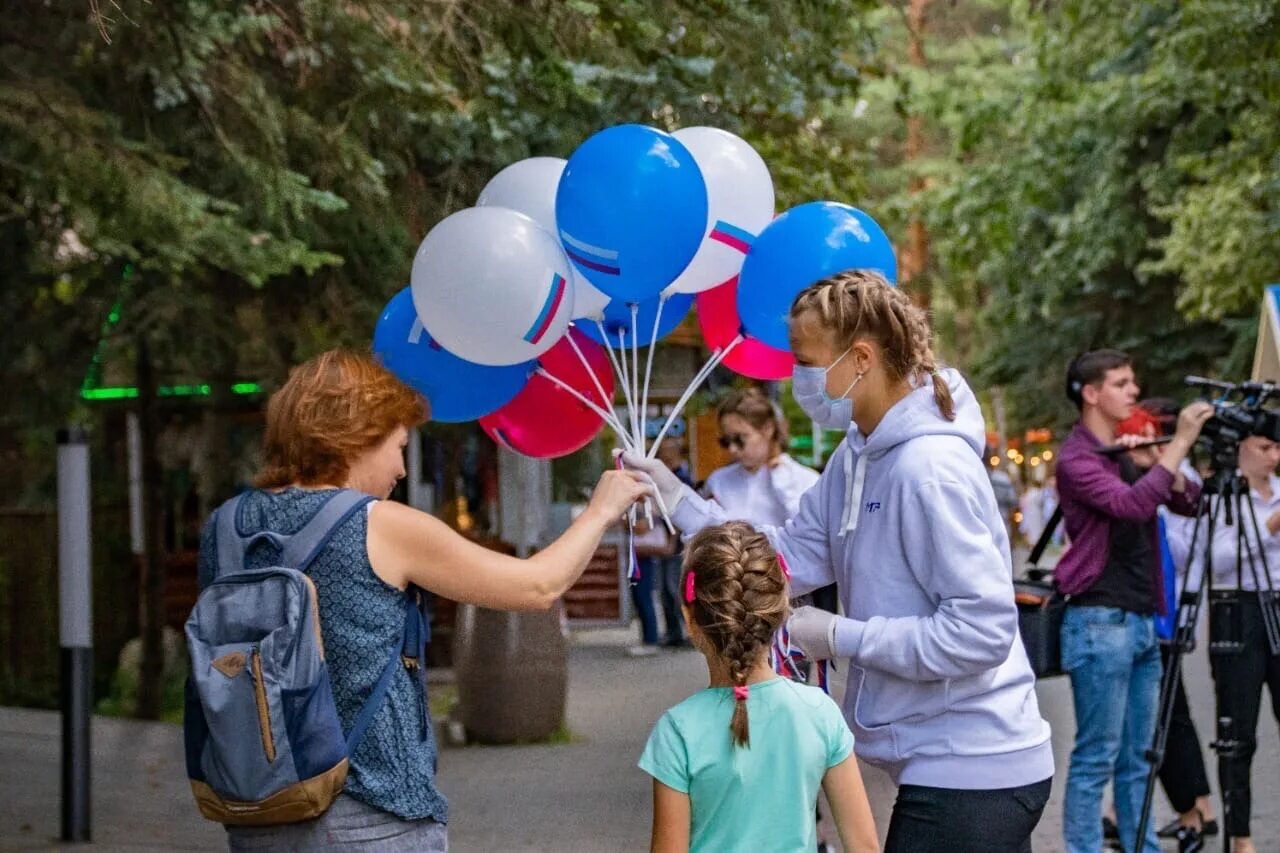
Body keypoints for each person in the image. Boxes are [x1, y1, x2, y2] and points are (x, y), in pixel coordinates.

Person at [626, 270, 1053, 852]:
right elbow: (792, 553)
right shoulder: (858, 453)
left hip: (974, 761)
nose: (798, 377)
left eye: (805, 360)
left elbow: (982, 632)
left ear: (860, 358)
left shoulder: (930, 470)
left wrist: (839, 635)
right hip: (943, 761)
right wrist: (680, 503)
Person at [200, 349, 652, 851]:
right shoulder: (377, 524)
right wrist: (599, 512)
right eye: (396, 446)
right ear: (356, 438)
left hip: (258, 811)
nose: (399, 468)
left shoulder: (225, 528)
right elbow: (536, 587)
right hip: (371, 814)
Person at [639, 521, 879, 853]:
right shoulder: (819, 711)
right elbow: (864, 846)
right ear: (781, 609)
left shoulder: (678, 730)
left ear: (689, 618)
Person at [1053, 350, 1211, 853]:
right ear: (1091, 393)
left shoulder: (1127, 449)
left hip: (1143, 621)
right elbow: (1129, 505)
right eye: (1122, 383)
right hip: (1099, 619)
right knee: (1097, 755)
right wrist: (1179, 442)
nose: (1134, 391)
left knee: (1139, 756)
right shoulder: (1077, 459)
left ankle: (1141, 845)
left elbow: (1189, 500)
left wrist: (1157, 462)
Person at [1104, 404, 1217, 851]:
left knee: (1166, 718)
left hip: (1160, 613)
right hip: (1150, 609)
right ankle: (1190, 807)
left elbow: (1186, 538)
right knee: (1153, 720)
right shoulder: (1138, 473)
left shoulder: (1168, 474)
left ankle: (1193, 810)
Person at [1168, 434, 1280, 853]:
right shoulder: (1222, 498)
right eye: (1266, 447)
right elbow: (1216, 560)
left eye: (1277, 448)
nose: (1274, 456)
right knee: (1238, 732)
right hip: (1238, 610)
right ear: (1241, 449)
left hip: (1279, 603)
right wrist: (1271, 527)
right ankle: (1241, 835)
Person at [654, 435, 694, 646]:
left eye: (667, 449)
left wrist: (672, 540)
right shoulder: (666, 477)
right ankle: (674, 632)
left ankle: (686, 632)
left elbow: (679, 512)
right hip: (666, 543)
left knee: (675, 588)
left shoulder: (682, 479)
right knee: (665, 590)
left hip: (677, 544)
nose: (663, 454)